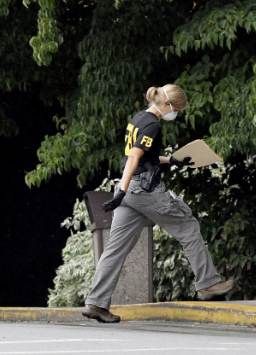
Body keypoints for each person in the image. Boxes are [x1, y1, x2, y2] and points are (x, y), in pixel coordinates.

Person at [82, 84, 235, 323]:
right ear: (167, 105)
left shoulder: (139, 118)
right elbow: (134, 157)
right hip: (143, 190)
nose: (177, 113)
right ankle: (208, 284)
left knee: (114, 248)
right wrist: (121, 191)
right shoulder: (153, 125)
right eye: (177, 108)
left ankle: (96, 303)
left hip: (130, 189)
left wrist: (172, 160)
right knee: (188, 225)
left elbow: (143, 155)